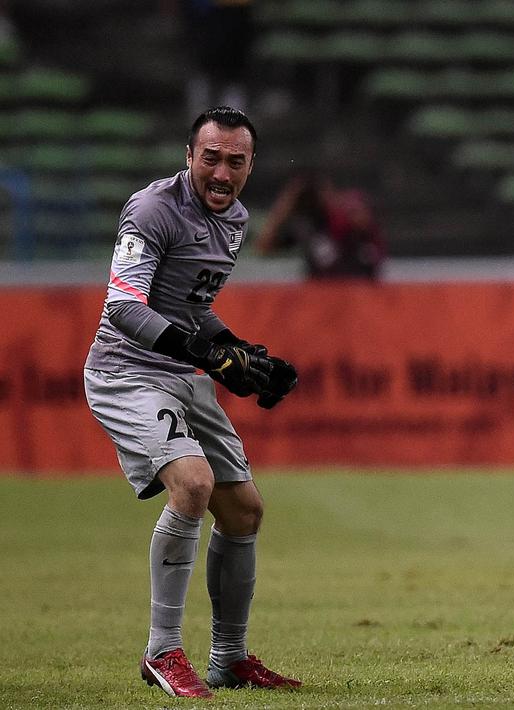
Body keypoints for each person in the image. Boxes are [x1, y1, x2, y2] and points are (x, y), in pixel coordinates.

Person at [83, 106, 301, 698]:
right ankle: (162, 652)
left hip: (179, 370)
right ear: (189, 157)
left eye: (236, 161)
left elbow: (189, 307)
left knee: (244, 512)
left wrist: (242, 353)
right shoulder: (153, 210)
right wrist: (209, 357)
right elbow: (123, 309)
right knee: (194, 485)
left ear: (251, 165)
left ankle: (228, 659)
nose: (222, 173)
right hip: (126, 370)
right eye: (211, 158)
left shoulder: (235, 221)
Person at [253, 170, 385, 279]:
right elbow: (264, 246)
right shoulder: (307, 226)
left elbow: (364, 223)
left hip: (357, 297)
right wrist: (287, 202)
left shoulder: (348, 218)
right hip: (320, 299)